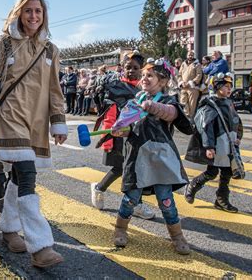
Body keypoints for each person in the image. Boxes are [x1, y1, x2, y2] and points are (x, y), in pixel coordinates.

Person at [0, 0, 67, 268]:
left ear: (44, 15)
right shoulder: (4, 43)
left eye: (38, 11)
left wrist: (57, 120)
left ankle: (8, 228)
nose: (33, 16)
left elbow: (54, 89)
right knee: (28, 175)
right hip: (10, 116)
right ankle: (40, 246)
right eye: (28, 11)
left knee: (18, 175)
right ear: (18, 13)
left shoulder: (51, 49)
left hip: (36, 122)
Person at [111, 60, 193, 255]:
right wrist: (120, 130)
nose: (145, 78)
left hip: (161, 160)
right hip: (138, 158)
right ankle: (120, 229)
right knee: (130, 199)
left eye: (150, 75)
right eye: (144, 75)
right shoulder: (133, 101)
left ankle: (177, 236)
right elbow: (126, 127)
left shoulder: (167, 101)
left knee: (166, 201)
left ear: (162, 81)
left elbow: (172, 114)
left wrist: (154, 107)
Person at [90, 51, 155, 220]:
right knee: (120, 168)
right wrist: (109, 138)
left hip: (137, 134)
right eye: (128, 67)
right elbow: (110, 114)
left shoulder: (144, 88)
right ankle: (99, 188)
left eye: (135, 68)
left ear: (141, 70)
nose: (131, 71)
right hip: (119, 134)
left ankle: (136, 204)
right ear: (122, 68)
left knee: (136, 169)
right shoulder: (115, 87)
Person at [185, 72, 243, 213]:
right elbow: (207, 127)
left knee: (227, 172)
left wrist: (239, 136)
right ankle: (193, 185)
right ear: (217, 87)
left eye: (230, 86)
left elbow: (236, 120)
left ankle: (221, 200)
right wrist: (209, 146)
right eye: (226, 86)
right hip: (217, 145)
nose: (229, 89)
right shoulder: (210, 104)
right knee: (212, 172)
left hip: (228, 144)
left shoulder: (228, 103)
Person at [177, 51, 203, 118]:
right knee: (183, 102)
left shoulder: (197, 64)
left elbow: (199, 75)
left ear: (193, 56)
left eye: (191, 55)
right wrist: (181, 82)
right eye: (189, 55)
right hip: (183, 87)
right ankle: (186, 117)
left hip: (193, 88)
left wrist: (191, 83)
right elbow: (179, 75)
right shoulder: (183, 64)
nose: (190, 56)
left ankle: (191, 119)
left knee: (192, 105)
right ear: (187, 56)